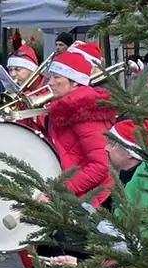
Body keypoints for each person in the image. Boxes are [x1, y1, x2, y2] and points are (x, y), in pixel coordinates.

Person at [40, 42, 118, 207]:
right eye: (51, 76)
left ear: (75, 82)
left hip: (90, 199)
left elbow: (100, 165)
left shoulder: (83, 112)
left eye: (57, 77)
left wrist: (60, 191)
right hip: (77, 193)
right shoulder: (67, 107)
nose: (50, 82)